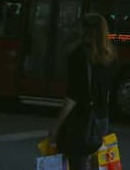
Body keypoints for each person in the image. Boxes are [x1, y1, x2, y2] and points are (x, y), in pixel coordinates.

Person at [49, 13, 116, 170]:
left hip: (81, 120)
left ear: (84, 30)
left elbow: (73, 96)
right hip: (102, 118)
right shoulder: (109, 56)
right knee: (98, 163)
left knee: (77, 160)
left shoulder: (78, 54)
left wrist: (56, 125)